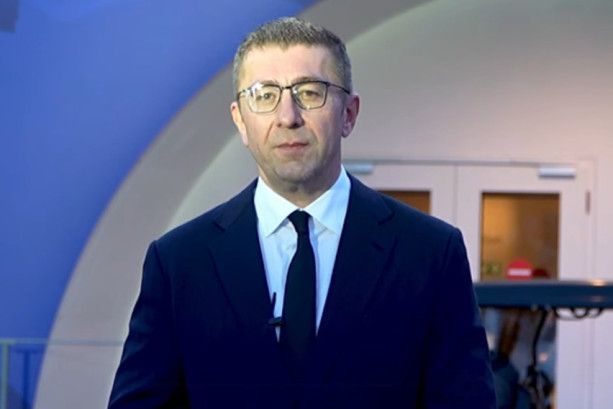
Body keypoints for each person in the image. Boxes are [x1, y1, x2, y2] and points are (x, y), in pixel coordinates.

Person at [108, 17, 496, 409]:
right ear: (240, 120)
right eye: (264, 95)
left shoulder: (430, 253)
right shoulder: (179, 263)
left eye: (309, 93)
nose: (288, 116)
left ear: (348, 114)